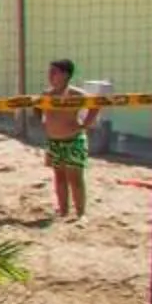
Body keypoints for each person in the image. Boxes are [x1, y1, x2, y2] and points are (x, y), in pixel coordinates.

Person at [40, 58, 91, 220]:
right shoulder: (46, 95)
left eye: (54, 72)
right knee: (59, 177)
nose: (50, 75)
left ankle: (81, 213)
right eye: (49, 72)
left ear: (65, 75)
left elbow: (96, 105)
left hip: (73, 139)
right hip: (54, 141)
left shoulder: (76, 94)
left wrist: (85, 125)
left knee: (75, 178)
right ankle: (63, 211)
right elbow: (39, 112)